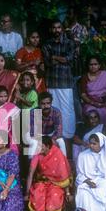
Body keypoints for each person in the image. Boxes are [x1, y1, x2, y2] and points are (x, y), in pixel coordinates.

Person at [42, 20, 76, 152]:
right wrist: (61, 59)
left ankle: (67, 141)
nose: (56, 30)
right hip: (52, 82)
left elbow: (70, 59)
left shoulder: (69, 43)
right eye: (54, 28)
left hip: (66, 82)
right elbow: (48, 62)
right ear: (51, 30)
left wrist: (55, 57)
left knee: (67, 112)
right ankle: (54, 141)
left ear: (62, 29)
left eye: (59, 28)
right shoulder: (47, 44)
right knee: (53, 110)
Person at [26, 136, 71, 211]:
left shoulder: (57, 154)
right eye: (38, 146)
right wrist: (27, 193)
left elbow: (63, 175)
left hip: (56, 183)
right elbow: (30, 173)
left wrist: (68, 193)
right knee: (37, 197)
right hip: (41, 182)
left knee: (54, 197)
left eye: (41, 146)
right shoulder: (37, 154)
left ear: (48, 146)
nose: (39, 148)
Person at [79, 55, 106, 136]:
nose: (93, 66)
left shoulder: (105, 74)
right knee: (99, 114)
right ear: (88, 66)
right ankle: (100, 138)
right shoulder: (85, 77)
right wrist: (94, 103)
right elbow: (83, 95)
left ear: (99, 65)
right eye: (91, 64)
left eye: (95, 64)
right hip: (91, 103)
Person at [28, 92, 66, 157]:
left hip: (51, 134)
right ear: (38, 104)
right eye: (43, 104)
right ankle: (31, 164)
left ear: (51, 103)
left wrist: (51, 139)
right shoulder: (33, 112)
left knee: (61, 141)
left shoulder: (56, 112)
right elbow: (32, 132)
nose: (46, 106)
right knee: (34, 143)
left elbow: (58, 131)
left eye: (48, 103)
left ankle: (64, 163)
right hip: (38, 135)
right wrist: (45, 140)